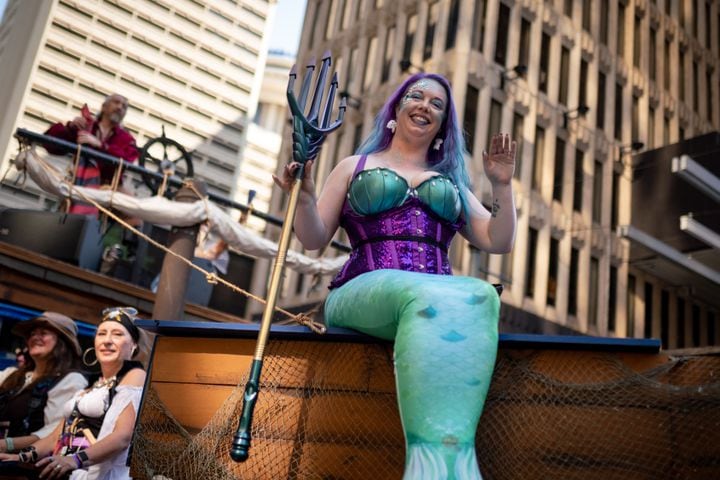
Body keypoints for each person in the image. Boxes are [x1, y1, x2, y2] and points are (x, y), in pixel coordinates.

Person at [273, 73, 516, 479]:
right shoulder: (356, 166)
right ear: (396, 110)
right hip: (360, 290)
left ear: (443, 124)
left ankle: (444, 466)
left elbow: (498, 239)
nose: (425, 106)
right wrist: (306, 197)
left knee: (482, 295)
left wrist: (502, 186)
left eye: (437, 104)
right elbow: (313, 237)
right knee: (428, 292)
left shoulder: (453, 180)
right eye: (416, 97)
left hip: (430, 300)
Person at [0, 307, 146, 480]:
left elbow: (122, 437)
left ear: (134, 344)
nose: (107, 340)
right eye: (101, 334)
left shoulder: (136, 375)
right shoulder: (92, 384)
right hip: (66, 471)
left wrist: (75, 460)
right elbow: (55, 436)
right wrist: (21, 456)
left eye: (117, 334)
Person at [0, 312, 87, 456]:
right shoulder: (13, 374)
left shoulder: (70, 380)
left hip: (25, 466)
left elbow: (55, 432)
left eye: (43, 333)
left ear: (62, 342)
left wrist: (7, 444)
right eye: (32, 334)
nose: (35, 337)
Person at [44, 93, 139, 216]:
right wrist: (70, 127)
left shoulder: (127, 138)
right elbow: (50, 145)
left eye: (124, 106)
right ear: (104, 106)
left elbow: (127, 160)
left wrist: (100, 145)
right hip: (79, 182)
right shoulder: (86, 125)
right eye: (116, 102)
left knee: (136, 217)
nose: (120, 107)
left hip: (109, 187)